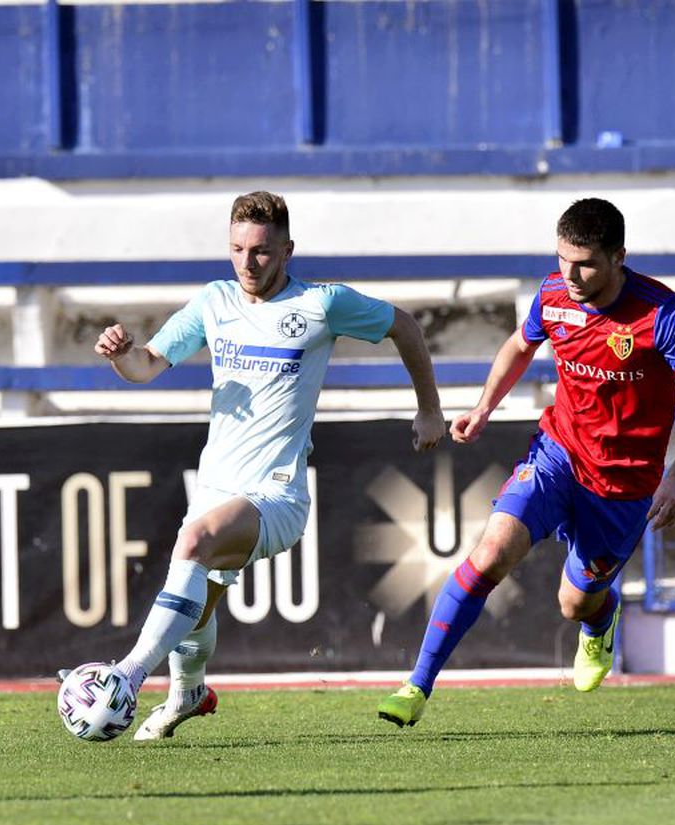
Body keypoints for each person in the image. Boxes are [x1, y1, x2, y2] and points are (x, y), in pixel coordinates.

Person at [85, 190, 445, 740]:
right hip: (215, 488)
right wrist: (119, 355)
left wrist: (428, 409)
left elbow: (406, 326)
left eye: (260, 251)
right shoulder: (215, 301)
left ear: (287, 251)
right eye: (236, 249)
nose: (247, 263)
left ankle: (127, 677)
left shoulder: (322, 305)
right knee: (196, 606)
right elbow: (147, 365)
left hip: (277, 496)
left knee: (193, 546)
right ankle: (188, 692)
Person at [377, 198, 675, 727]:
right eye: (562, 258)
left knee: (574, 603)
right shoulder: (552, 295)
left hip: (624, 486)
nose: (570, 274)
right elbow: (520, 345)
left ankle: (601, 615)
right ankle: (416, 686)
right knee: (492, 551)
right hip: (558, 453)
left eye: (585, 263)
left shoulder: (660, 314)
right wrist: (484, 406)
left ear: (619, 257)